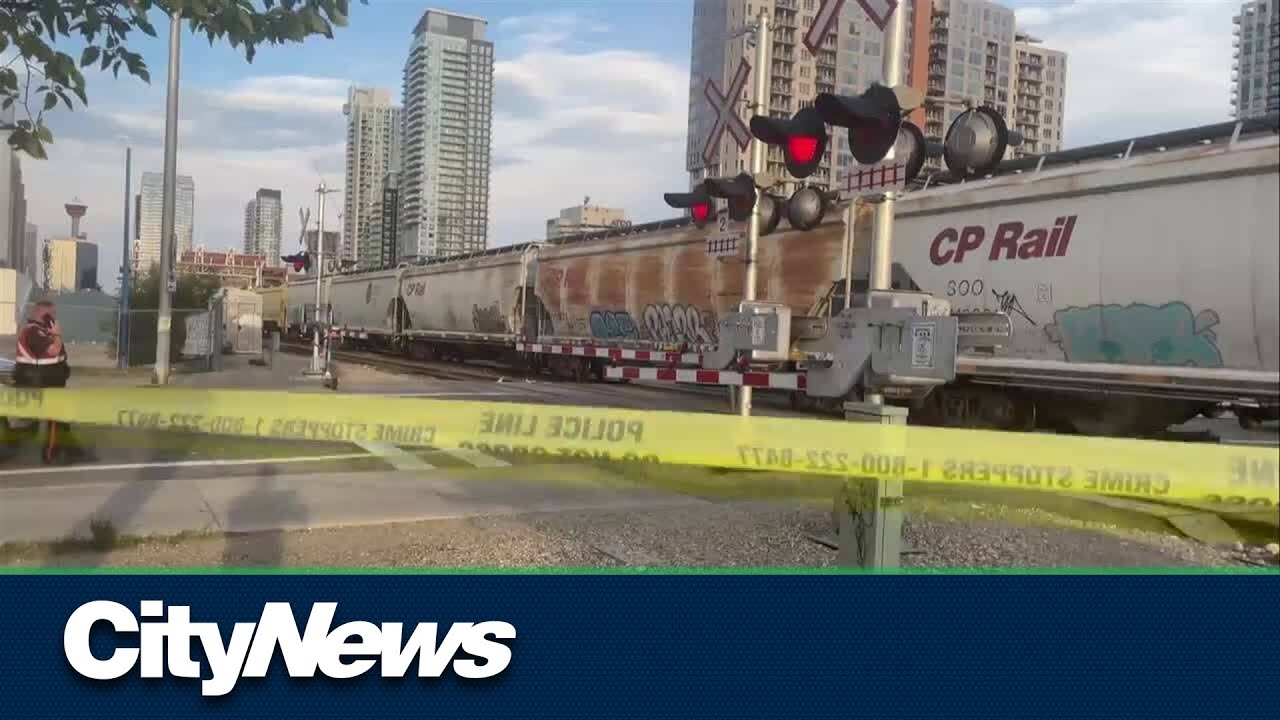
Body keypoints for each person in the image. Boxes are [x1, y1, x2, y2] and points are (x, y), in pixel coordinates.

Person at [14, 300, 88, 463]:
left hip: (48, 384)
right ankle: (52, 453)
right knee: (56, 417)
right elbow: (53, 351)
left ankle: (69, 450)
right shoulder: (33, 332)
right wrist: (57, 334)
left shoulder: (43, 331)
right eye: (52, 314)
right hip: (37, 385)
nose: (55, 318)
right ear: (43, 314)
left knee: (60, 418)